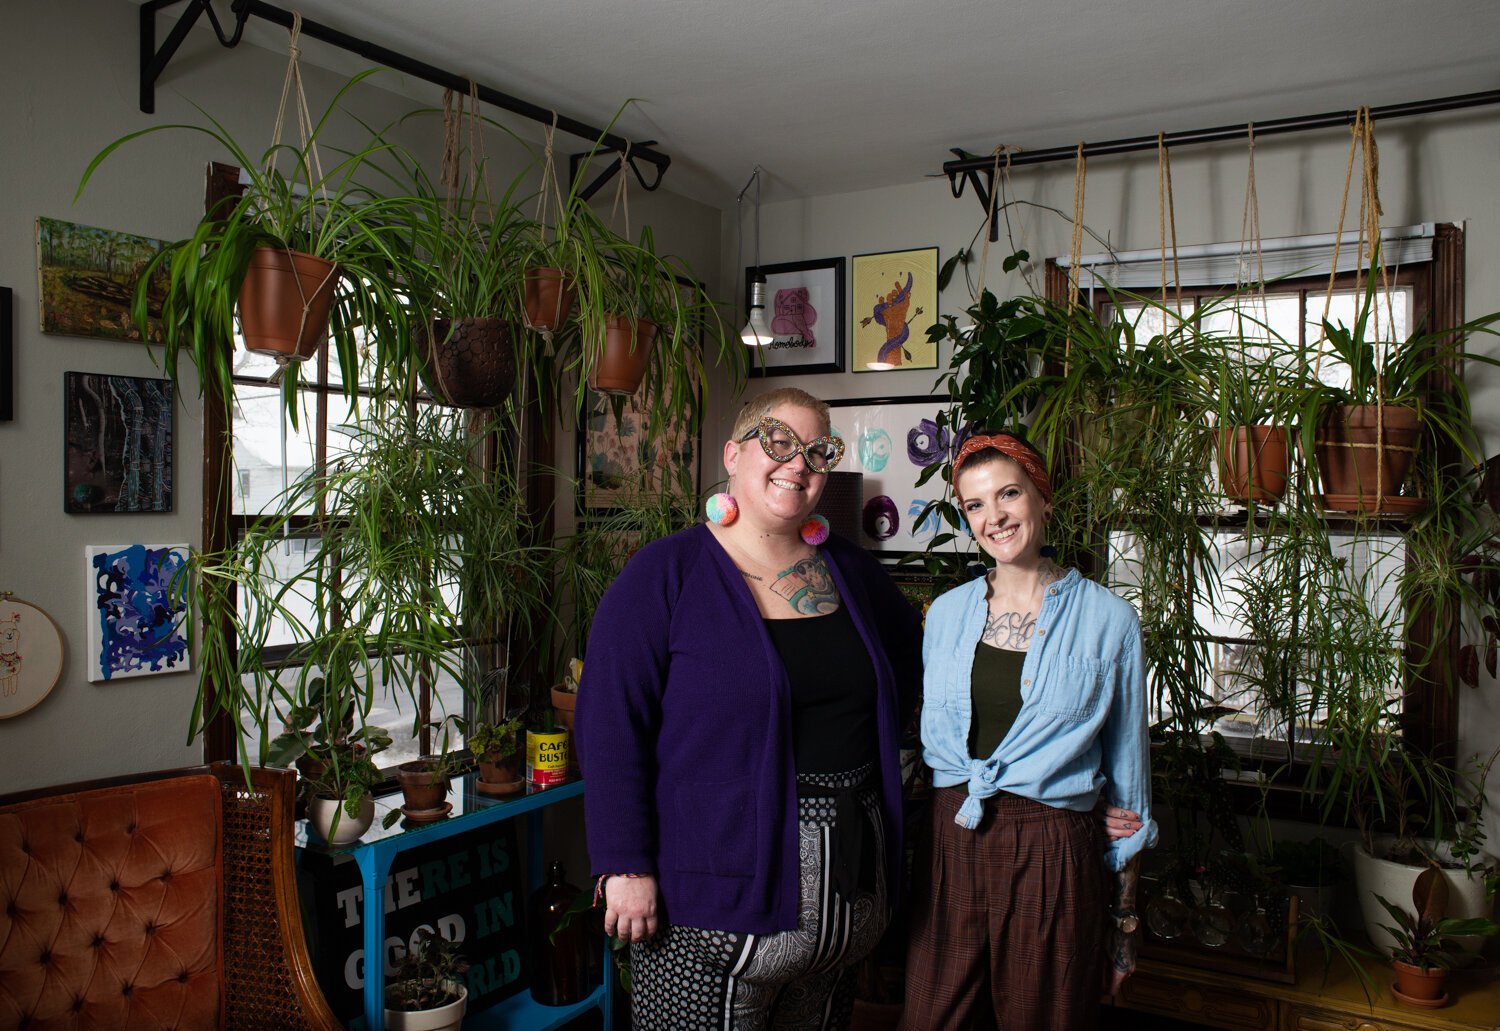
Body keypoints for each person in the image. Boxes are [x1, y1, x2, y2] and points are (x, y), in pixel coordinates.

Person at [577, 387, 924, 1029]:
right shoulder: (663, 574)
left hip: (844, 909)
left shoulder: (852, 572)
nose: (798, 463)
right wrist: (623, 864)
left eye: (817, 452)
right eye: (778, 442)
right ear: (733, 455)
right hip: (708, 906)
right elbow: (610, 726)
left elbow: (909, 665)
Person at [901, 431, 1156, 1030]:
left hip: (1052, 849)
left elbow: (1130, 790)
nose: (995, 517)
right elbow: (924, 742)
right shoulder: (945, 614)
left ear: (1042, 498)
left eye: (1009, 494)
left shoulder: (1110, 620)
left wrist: (1124, 926)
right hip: (950, 838)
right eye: (976, 504)